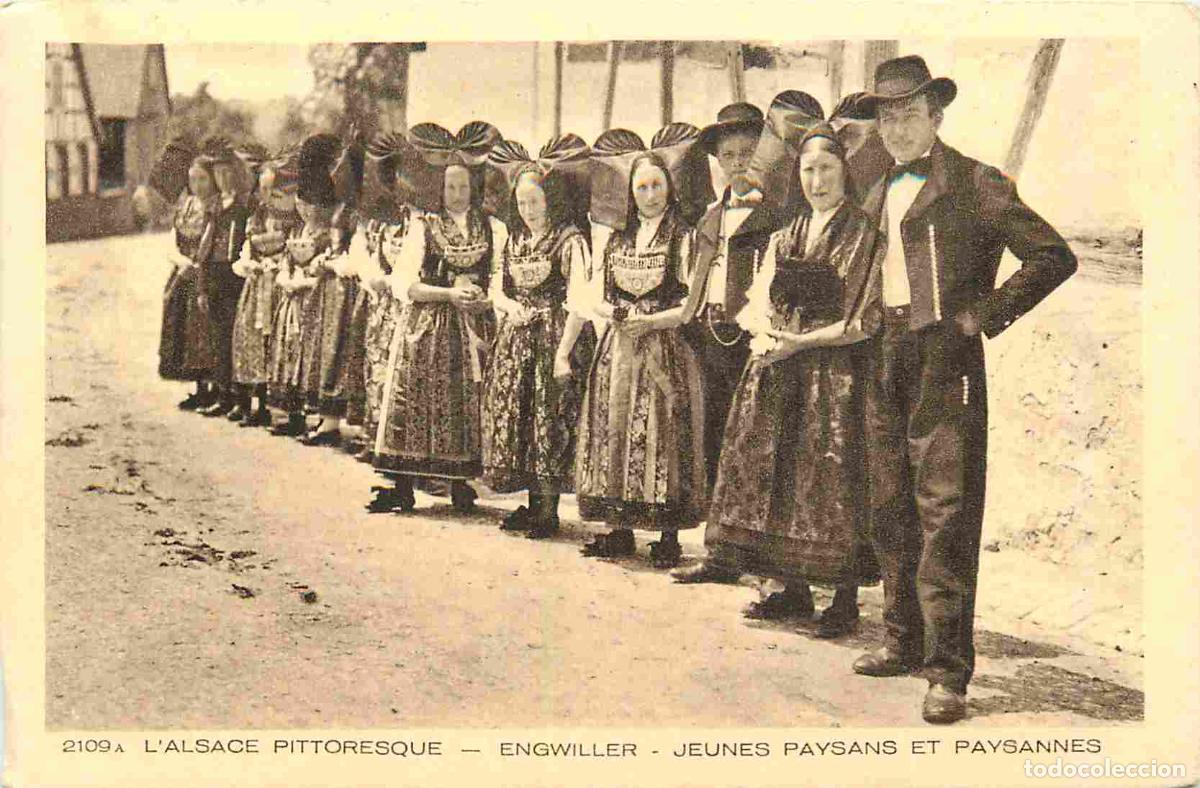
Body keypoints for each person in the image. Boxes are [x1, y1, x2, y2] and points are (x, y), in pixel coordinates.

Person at [849, 55, 1077, 724]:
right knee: (889, 501)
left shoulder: (976, 182)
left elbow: (1053, 256)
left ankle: (948, 673)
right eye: (886, 118)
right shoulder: (876, 185)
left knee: (945, 512)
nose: (896, 128)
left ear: (936, 117)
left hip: (946, 362)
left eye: (908, 114)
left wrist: (986, 314)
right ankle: (901, 640)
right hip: (885, 354)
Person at [684, 122, 882, 636]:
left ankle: (842, 601)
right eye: (809, 171)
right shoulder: (786, 233)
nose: (818, 181)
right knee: (778, 474)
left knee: (829, 479)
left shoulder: (863, 233)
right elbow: (761, 298)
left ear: (845, 173)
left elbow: (862, 320)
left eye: (828, 170)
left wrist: (799, 342)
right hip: (780, 367)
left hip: (832, 375)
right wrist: (767, 336)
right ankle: (789, 589)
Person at [574, 137, 707, 568]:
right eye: (642, 188)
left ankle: (668, 535)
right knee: (614, 428)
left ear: (669, 187)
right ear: (631, 194)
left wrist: (651, 321)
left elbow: (690, 306)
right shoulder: (617, 238)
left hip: (664, 346)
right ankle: (619, 528)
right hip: (619, 348)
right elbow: (594, 294)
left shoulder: (684, 236)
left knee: (663, 432)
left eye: (656, 186)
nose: (650, 196)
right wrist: (615, 313)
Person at [371, 121, 503, 513]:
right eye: (450, 187)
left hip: (473, 325)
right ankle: (404, 484)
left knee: (467, 401)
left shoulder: (491, 227)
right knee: (415, 398)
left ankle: (461, 481)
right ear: (439, 189)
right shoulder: (423, 225)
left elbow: (499, 274)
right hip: (427, 327)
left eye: (463, 186)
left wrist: (485, 298)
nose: (457, 194)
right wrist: (448, 294)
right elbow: (404, 284)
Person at [482, 136, 594, 539]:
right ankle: (532, 505)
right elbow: (499, 290)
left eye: (535, 202)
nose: (528, 211)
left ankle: (548, 510)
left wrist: (564, 352)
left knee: (550, 417)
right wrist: (511, 309)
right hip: (518, 341)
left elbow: (580, 300)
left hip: (554, 339)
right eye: (522, 203)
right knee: (523, 418)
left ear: (549, 201)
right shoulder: (515, 240)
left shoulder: (570, 240)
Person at [267, 135, 337, 438]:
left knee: (311, 355)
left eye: (315, 205)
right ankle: (290, 412)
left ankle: (315, 415)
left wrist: (307, 281)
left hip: (314, 300)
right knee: (288, 352)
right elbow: (285, 261)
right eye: (302, 203)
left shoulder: (328, 235)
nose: (308, 210)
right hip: (292, 300)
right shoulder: (297, 229)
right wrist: (286, 279)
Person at [297, 134, 363, 447]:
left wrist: (332, 263)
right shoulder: (340, 205)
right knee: (327, 349)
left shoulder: (357, 209)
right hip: (331, 285)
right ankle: (327, 420)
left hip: (347, 285)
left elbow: (356, 252)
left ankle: (342, 421)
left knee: (342, 350)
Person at [231, 147, 302, 427]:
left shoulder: (293, 220)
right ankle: (254, 402)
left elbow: (295, 252)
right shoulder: (258, 215)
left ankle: (278, 408)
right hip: (258, 283)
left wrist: (279, 264)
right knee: (251, 340)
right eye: (263, 190)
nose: (267, 196)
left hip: (279, 286)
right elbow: (247, 247)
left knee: (278, 344)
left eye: (273, 191)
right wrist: (249, 263)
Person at [151, 136, 214, 408]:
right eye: (192, 179)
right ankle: (199, 387)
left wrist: (197, 264)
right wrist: (179, 260)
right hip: (183, 271)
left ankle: (214, 387)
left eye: (202, 179)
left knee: (204, 329)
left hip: (203, 272)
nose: (196, 185)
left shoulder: (214, 206)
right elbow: (173, 238)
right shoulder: (185, 204)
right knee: (184, 328)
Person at [194, 146, 252, 418]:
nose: (223, 179)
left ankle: (243, 399)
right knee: (219, 338)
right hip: (216, 275)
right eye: (218, 174)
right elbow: (204, 250)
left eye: (228, 173)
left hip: (236, 275)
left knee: (238, 337)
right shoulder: (214, 207)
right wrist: (202, 288)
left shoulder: (244, 206)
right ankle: (223, 395)